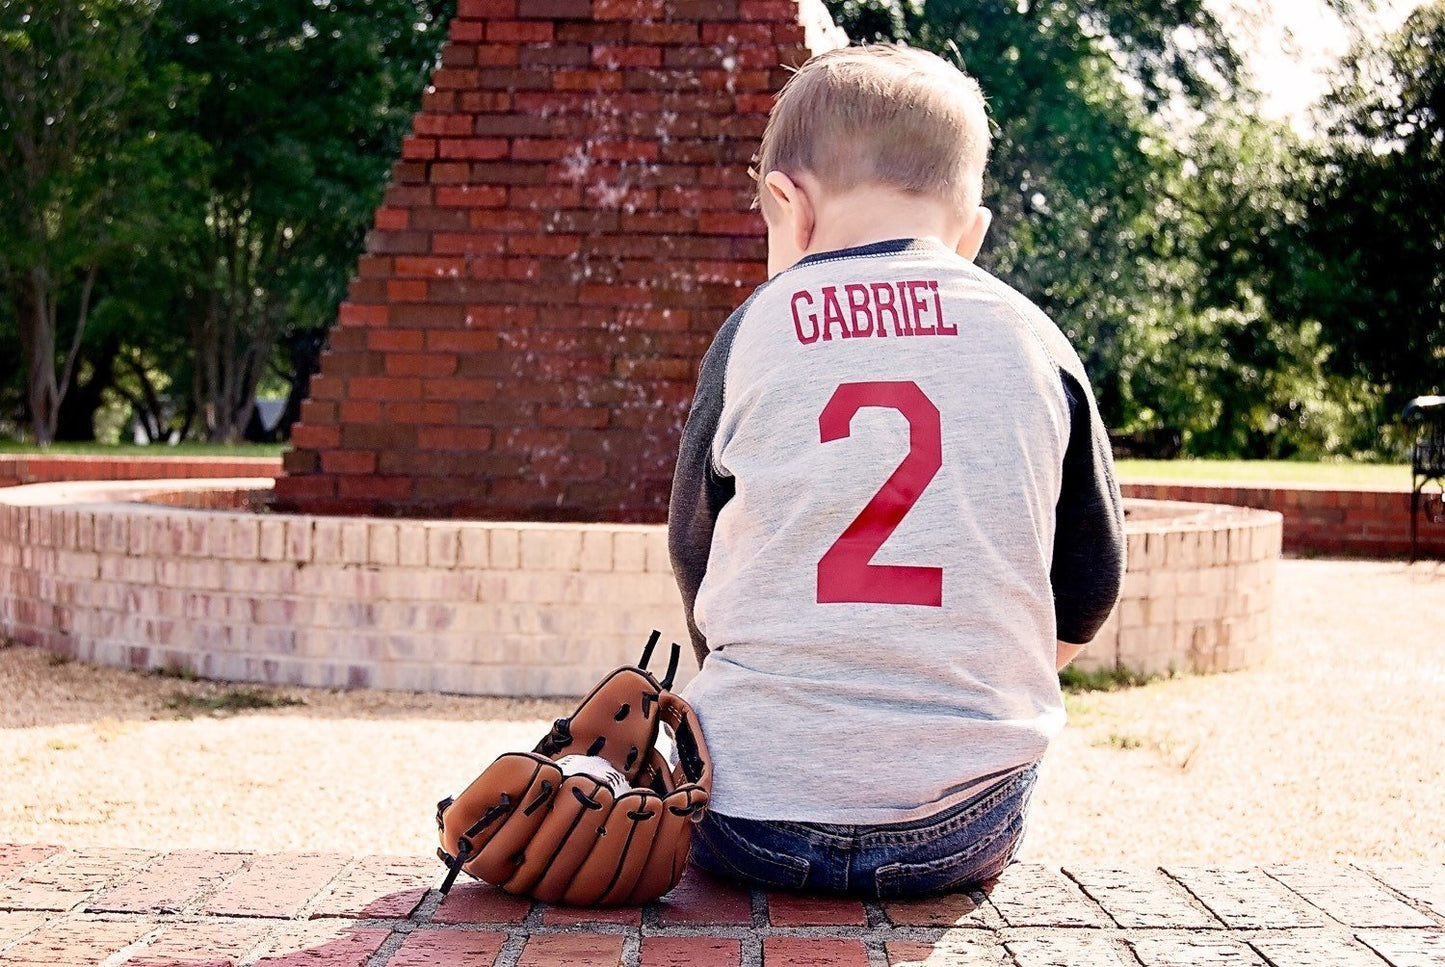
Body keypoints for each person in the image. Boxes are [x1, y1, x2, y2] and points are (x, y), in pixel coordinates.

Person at [666, 44, 1127, 898]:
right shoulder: (1033, 338)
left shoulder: (752, 331)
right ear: (972, 233)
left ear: (783, 203)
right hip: (955, 828)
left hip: (744, 817)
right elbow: (1090, 581)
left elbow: (697, 552)